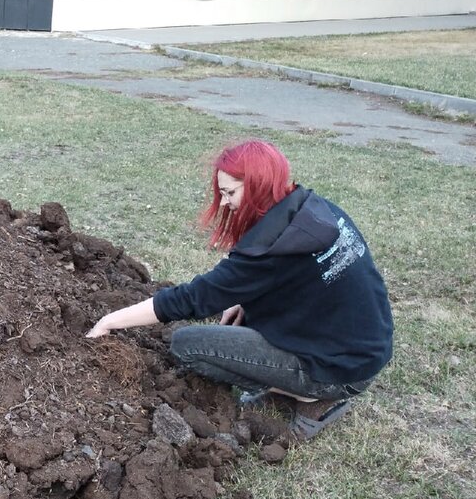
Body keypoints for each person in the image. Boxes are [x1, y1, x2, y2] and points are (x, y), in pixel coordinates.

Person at [86, 140, 393, 442]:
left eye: (230, 193)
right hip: (364, 347)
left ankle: (315, 398)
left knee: (187, 345)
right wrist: (245, 298)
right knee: (241, 320)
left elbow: (192, 299)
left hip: (341, 369)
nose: (223, 203)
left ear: (259, 185)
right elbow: (300, 281)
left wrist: (110, 321)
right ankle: (295, 385)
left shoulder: (268, 253)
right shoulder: (312, 209)